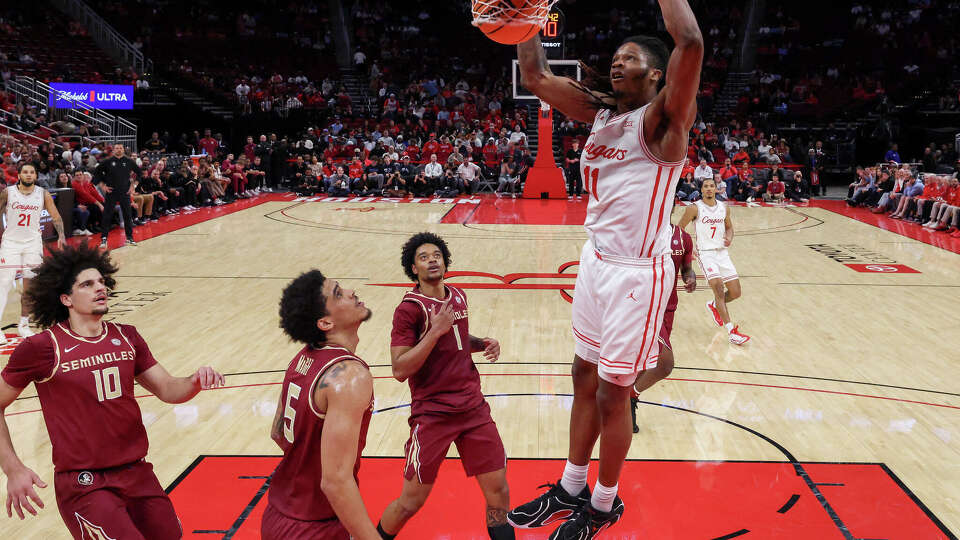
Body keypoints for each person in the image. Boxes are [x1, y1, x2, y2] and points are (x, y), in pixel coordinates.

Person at [508, 1, 703, 536]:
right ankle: (571, 487)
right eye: (615, 57)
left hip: (638, 274)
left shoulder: (664, 123)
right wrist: (525, 16)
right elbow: (535, 74)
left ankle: (604, 500)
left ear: (657, 74)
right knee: (581, 376)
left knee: (614, 394)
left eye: (630, 58)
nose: (616, 64)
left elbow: (690, 41)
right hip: (596, 261)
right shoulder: (601, 114)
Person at [0, 243, 224, 538]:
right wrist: (13, 469)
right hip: (85, 484)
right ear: (66, 298)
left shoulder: (127, 336)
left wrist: (194, 381)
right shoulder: (42, 348)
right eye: (88, 284)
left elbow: (168, 389)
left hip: (138, 473)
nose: (99, 288)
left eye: (102, 282)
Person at [378, 232, 512, 540]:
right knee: (410, 503)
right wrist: (434, 332)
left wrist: (483, 343)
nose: (432, 260)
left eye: (436, 254)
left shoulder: (458, 295)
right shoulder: (409, 309)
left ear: (445, 261)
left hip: (473, 409)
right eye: (423, 257)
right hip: (433, 414)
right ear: (414, 269)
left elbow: (458, 339)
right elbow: (400, 369)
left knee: (499, 493)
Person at [262, 270, 379, 540]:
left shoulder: (301, 359)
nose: (351, 292)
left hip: (277, 514)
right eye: (338, 293)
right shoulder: (349, 374)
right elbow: (336, 482)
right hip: (314, 527)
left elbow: (278, 432)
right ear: (325, 322)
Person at [630, 217, 696, 432]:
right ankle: (630, 396)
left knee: (645, 362)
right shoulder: (641, 233)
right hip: (644, 305)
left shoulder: (682, 237)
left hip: (668, 307)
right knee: (665, 363)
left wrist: (690, 278)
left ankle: (624, 399)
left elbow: (687, 268)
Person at [678, 177, 750, 345]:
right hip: (706, 254)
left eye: (712, 186)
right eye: (706, 186)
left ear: (716, 189)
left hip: (722, 253)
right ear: (701, 190)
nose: (709, 189)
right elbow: (679, 229)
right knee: (718, 288)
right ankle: (731, 332)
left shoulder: (724, 207)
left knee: (735, 293)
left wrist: (729, 238)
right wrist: (689, 248)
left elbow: (729, 227)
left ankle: (713, 305)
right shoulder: (694, 208)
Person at [0, 163, 66, 344]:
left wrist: (61, 235)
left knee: (30, 287)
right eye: (25, 172)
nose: (28, 175)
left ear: (36, 175)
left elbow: (56, 215)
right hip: (11, 243)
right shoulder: (8, 192)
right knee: (4, 284)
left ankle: (24, 324)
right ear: (19, 175)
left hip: (33, 244)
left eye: (32, 172)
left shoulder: (42, 194)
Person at [93, 144, 140, 248]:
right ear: (113, 150)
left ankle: (130, 238)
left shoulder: (129, 161)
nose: (119, 150)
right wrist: (103, 186)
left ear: (123, 150)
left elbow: (139, 172)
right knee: (107, 215)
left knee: (128, 215)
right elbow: (96, 173)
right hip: (111, 192)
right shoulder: (107, 161)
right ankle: (104, 239)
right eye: (117, 148)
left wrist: (134, 186)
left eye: (121, 148)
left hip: (125, 193)